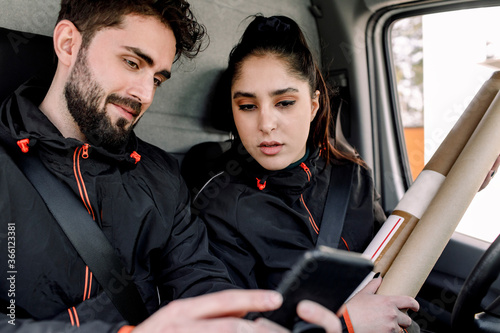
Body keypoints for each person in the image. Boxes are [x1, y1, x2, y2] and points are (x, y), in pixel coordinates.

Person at [0, 2, 342, 333]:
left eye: (158, 79)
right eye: (133, 63)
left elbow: (199, 278)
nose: (145, 94)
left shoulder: (159, 173)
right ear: (68, 44)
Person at [191, 15, 422, 333]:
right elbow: (235, 325)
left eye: (284, 102)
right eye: (247, 106)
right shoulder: (218, 206)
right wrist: (344, 324)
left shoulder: (351, 176)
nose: (266, 124)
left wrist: (459, 186)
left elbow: (389, 265)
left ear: (314, 105)